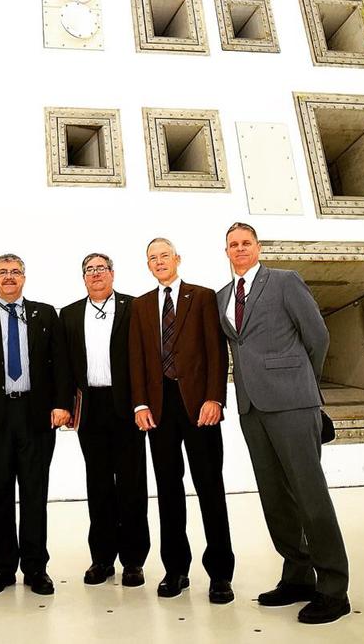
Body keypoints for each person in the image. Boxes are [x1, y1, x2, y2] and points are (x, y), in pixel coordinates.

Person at [216, 222, 351, 624]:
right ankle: (297, 576)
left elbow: (318, 336)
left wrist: (303, 383)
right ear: (226, 252)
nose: (240, 249)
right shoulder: (223, 296)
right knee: (275, 497)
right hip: (251, 407)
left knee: (310, 494)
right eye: (233, 245)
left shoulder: (285, 281)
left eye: (246, 242)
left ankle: (333, 589)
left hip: (293, 401)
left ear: (258, 247)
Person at [0, 253, 72, 596]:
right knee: (0, 492)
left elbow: (61, 363)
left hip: (36, 415)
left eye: (15, 272)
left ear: (24, 277)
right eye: (2, 272)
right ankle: (2, 568)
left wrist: (62, 404)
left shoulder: (45, 314)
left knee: (35, 492)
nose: (9, 277)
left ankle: (36, 568)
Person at [128, 238, 234, 604]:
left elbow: (216, 351)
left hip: (200, 407)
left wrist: (215, 398)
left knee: (210, 488)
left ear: (177, 259)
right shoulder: (141, 306)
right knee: (168, 491)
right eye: (152, 257)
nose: (159, 261)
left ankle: (220, 574)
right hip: (159, 410)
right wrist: (140, 404)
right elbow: (136, 359)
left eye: (164, 255)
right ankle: (175, 569)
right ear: (148, 265)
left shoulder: (202, 297)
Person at [58, 252, 149, 587]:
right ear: (83, 277)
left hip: (126, 406)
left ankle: (133, 561)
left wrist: (143, 403)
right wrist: (64, 405)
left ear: (112, 273)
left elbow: (144, 357)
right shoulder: (69, 314)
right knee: (97, 484)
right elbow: (64, 365)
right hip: (90, 407)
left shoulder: (133, 307)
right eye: (89, 269)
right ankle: (102, 559)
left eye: (101, 268)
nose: (95, 274)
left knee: (131, 484)